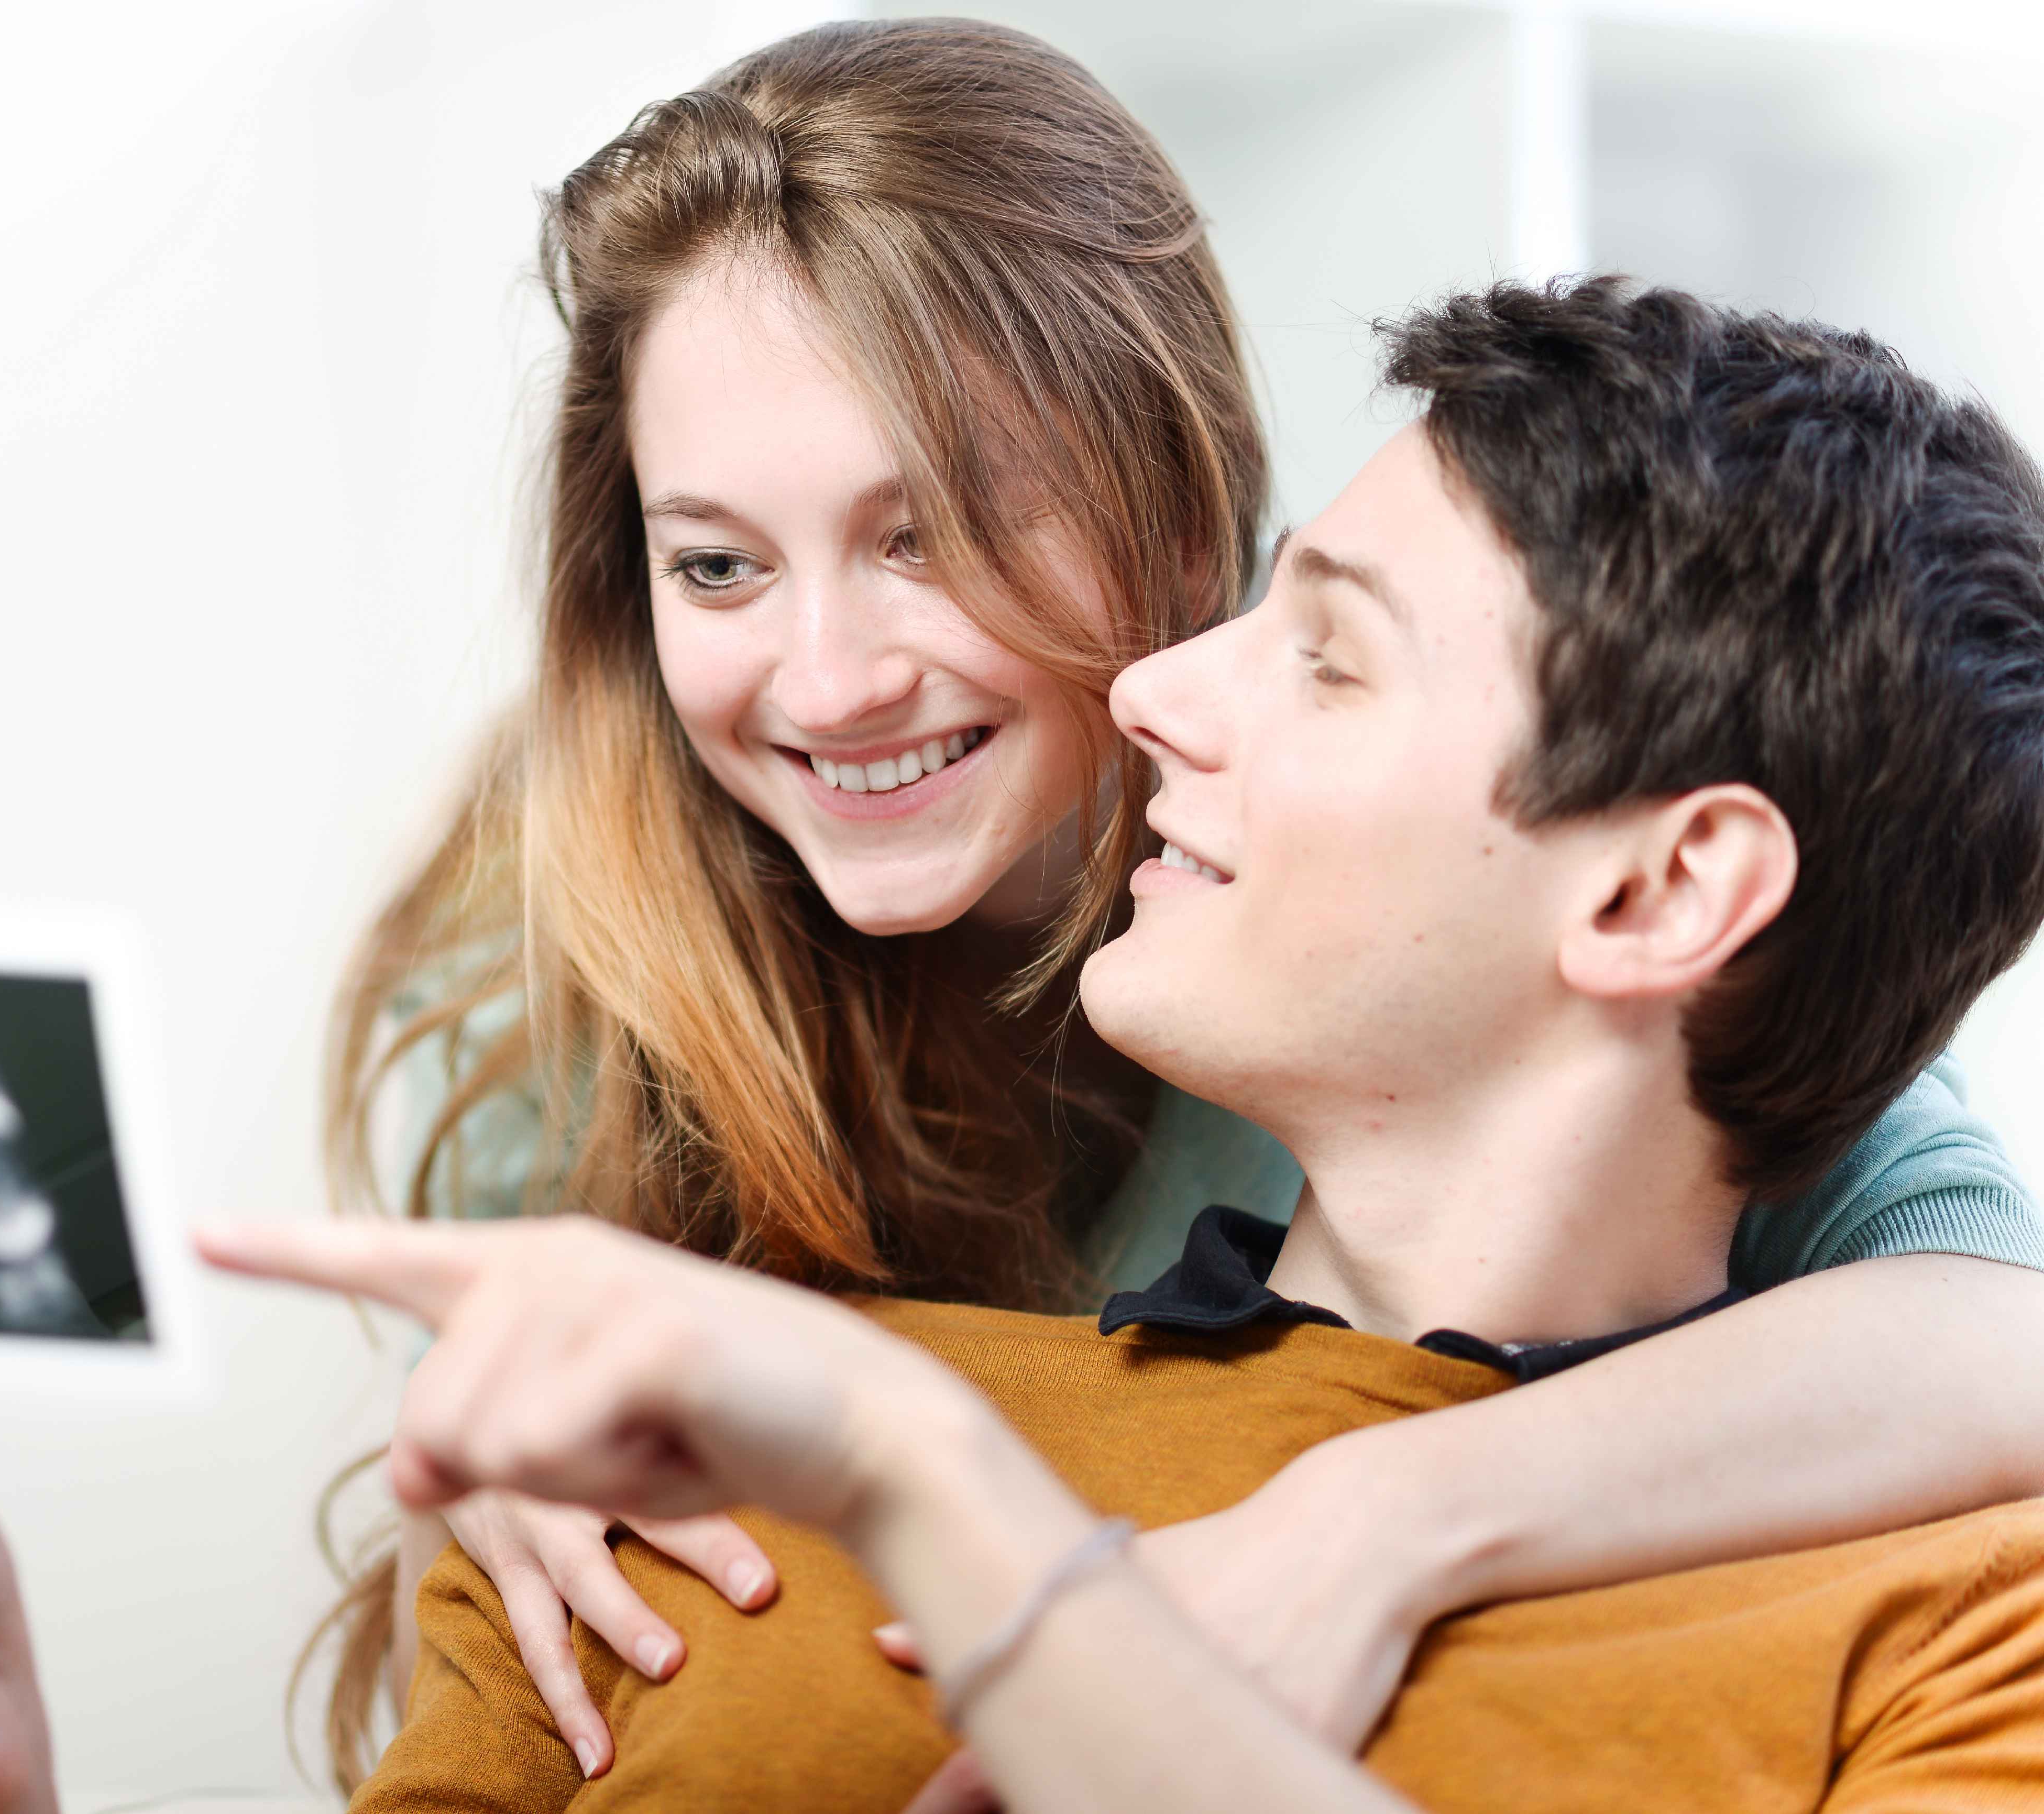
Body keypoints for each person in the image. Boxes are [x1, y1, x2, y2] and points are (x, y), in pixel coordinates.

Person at [0, 23, 2044, 1811]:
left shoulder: (1898, 1533)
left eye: (927, 532)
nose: (821, 675)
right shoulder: (615, 1198)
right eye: (712, 565)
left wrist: (1324, 1506)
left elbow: (1999, 1352)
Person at [202, 278, 2044, 1813]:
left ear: (1660, 895)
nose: (1159, 690)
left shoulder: (1956, 1606)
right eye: (715, 565)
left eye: (1325, 655)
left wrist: (946, 1488)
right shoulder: (712, 1495)